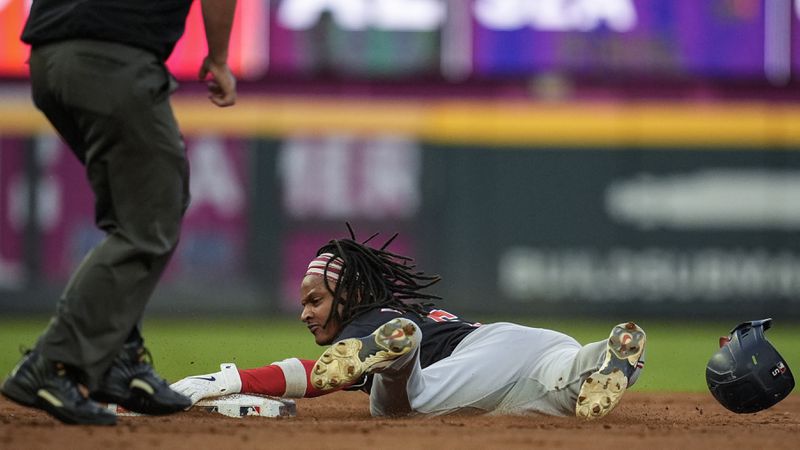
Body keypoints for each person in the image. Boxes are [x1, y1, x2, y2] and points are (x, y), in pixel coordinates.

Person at [0, 0, 238, 426]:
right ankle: (53, 364)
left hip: (49, 57)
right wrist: (218, 59)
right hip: (112, 57)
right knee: (150, 220)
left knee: (135, 213)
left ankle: (116, 361)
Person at [171, 228, 647, 419]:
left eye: (315, 300)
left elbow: (312, 375)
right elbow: (323, 371)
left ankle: (401, 358)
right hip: (530, 347)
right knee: (567, 390)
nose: (305, 313)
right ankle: (606, 353)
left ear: (351, 295)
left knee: (397, 411)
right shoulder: (377, 319)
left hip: (476, 357)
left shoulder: (372, 318)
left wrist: (230, 379)